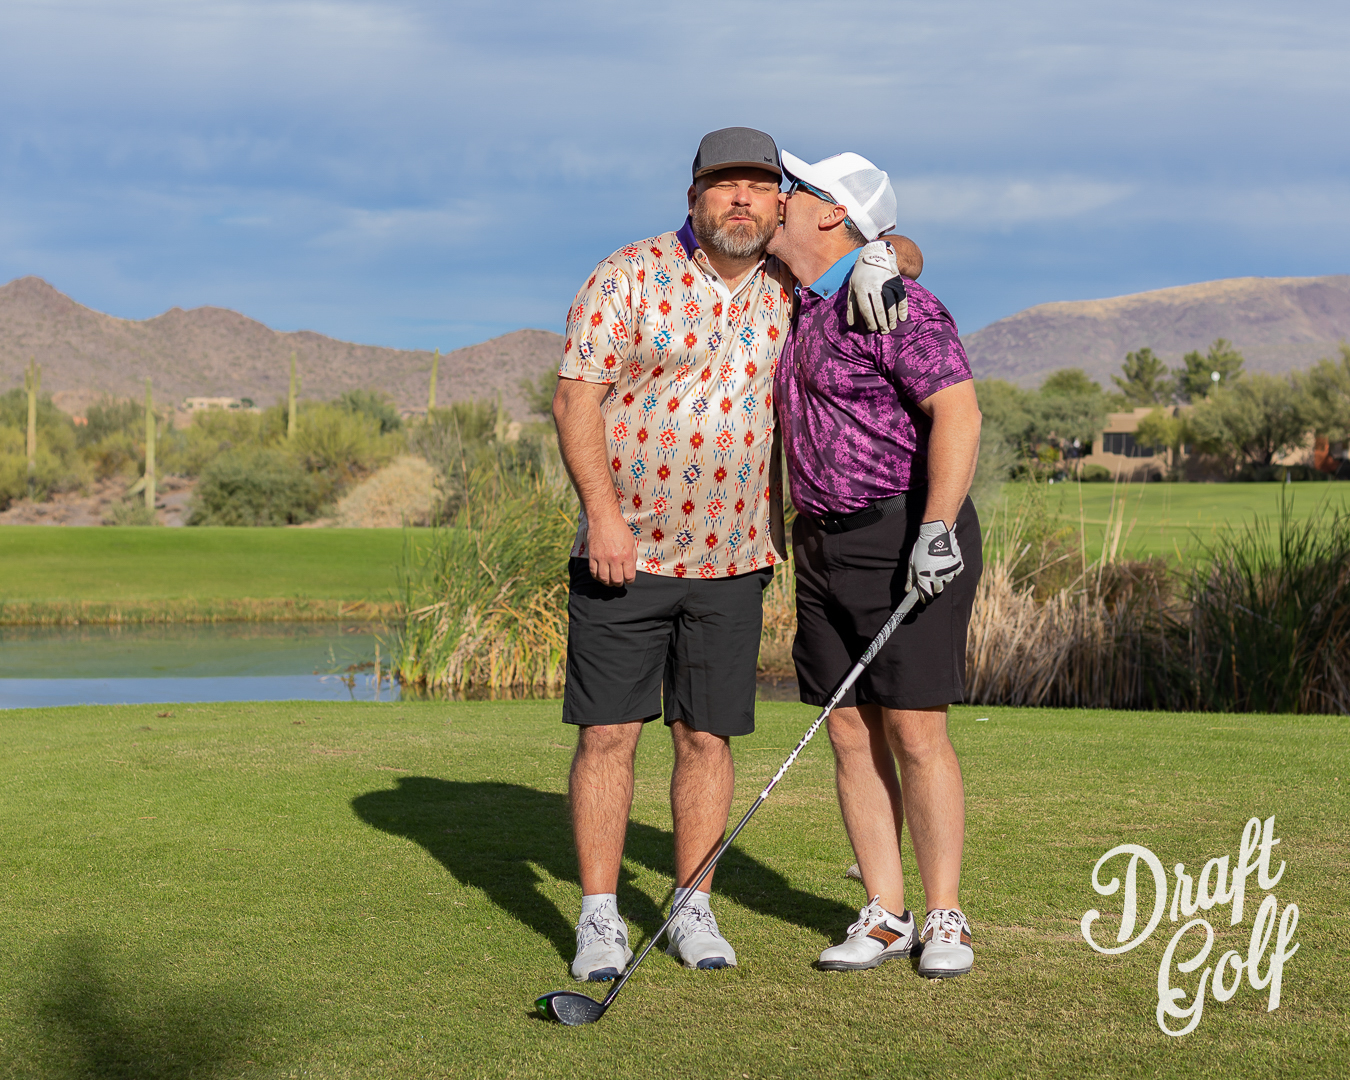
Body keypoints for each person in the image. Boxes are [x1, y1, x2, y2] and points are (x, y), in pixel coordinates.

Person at [553, 127, 923, 982]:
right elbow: (576, 399)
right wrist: (602, 517)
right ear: (694, 197)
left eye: (760, 185)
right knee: (608, 736)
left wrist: (888, 257)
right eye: (726, 185)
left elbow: (894, 245)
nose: (744, 199)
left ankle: (692, 908)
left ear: (779, 203)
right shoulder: (627, 274)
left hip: (734, 558)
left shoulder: (788, 283)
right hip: (625, 553)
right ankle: (600, 916)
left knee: (707, 739)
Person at [766, 149, 983, 978]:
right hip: (821, 542)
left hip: (904, 533)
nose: (780, 198)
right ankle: (886, 914)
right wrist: (891, 248)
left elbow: (957, 414)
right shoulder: (795, 298)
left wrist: (937, 529)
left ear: (831, 213)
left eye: (796, 189)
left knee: (917, 728)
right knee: (849, 730)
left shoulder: (898, 303)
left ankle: (945, 915)